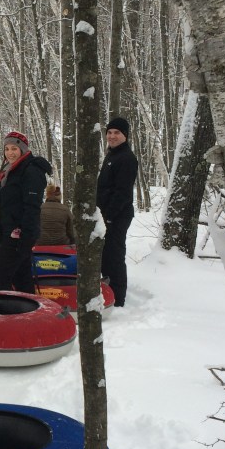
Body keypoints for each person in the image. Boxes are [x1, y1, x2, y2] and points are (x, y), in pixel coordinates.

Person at [0, 131, 52, 294]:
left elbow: (32, 207)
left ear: (22, 149)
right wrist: (1, 228)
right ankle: (27, 307)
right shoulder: (10, 170)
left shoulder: (31, 171)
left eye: (14, 149)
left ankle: (2, 307)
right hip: (9, 232)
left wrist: (26, 237)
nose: (10, 153)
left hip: (19, 235)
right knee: (21, 277)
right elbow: (11, 205)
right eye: (7, 149)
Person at [96, 116, 138, 307]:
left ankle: (118, 299)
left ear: (125, 135)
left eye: (117, 133)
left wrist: (109, 217)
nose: (112, 136)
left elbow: (122, 192)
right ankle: (107, 293)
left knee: (114, 256)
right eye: (110, 132)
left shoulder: (126, 158)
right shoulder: (112, 155)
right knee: (106, 256)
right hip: (106, 214)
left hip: (117, 215)